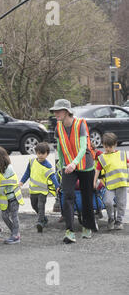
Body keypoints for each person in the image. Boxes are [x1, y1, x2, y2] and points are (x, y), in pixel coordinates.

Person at [50, 99, 97, 244]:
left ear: (67, 112)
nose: (56, 113)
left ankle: (87, 226)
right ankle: (69, 231)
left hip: (84, 164)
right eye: (55, 111)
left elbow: (83, 148)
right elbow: (59, 147)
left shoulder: (80, 124)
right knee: (67, 196)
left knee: (87, 196)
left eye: (58, 111)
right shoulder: (58, 126)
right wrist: (61, 165)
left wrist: (73, 163)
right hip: (68, 166)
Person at [19, 142, 60, 233]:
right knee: (34, 206)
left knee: (41, 206)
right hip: (33, 190)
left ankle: (40, 222)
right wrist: (22, 182)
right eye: (38, 153)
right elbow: (27, 173)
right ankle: (44, 218)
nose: (40, 155)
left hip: (43, 192)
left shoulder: (48, 166)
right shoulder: (32, 162)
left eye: (43, 153)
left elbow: (53, 177)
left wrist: (57, 187)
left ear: (47, 154)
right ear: (36, 153)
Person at [93, 132, 128, 231]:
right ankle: (111, 218)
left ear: (115, 144)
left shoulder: (122, 154)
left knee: (121, 203)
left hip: (122, 183)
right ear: (103, 145)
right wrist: (94, 181)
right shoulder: (103, 157)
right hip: (109, 185)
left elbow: (127, 164)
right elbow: (97, 170)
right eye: (105, 146)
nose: (107, 149)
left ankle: (119, 221)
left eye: (110, 147)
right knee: (107, 202)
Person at [0, 147, 24, 244]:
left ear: (1, 159)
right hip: (7, 199)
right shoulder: (0, 170)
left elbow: (4, 183)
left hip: (13, 198)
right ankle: (15, 232)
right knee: (4, 216)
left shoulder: (9, 168)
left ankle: (16, 236)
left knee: (14, 216)